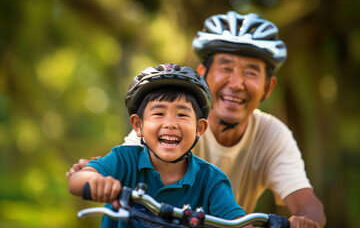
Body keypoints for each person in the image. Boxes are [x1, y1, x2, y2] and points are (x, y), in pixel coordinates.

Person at [67, 12, 326, 227]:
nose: (236, 84)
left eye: (250, 72)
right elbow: (101, 171)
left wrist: (303, 222)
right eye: (226, 68)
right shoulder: (138, 150)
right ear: (203, 74)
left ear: (268, 88)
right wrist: (94, 179)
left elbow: (303, 204)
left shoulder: (222, 171)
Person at [68, 63, 246, 228]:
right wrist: (97, 182)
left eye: (182, 115)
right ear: (138, 125)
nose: (170, 124)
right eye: (159, 113)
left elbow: (238, 222)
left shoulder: (211, 181)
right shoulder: (124, 160)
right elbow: (77, 180)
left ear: (199, 128)